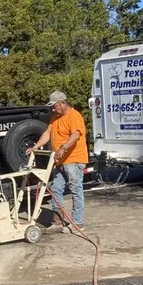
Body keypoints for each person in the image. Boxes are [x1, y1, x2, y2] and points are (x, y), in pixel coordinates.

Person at [27, 91, 89, 231]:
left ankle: (77, 223)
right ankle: (57, 222)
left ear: (63, 103)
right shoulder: (55, 118)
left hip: (73, 159)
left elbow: (76, 134)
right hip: (59, 160)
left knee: (75, 189)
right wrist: (35, 147)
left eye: (54, 106)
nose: (53, 109)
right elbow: (47, 133)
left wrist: (63, 148)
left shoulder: (75, 116)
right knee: (55, 189)